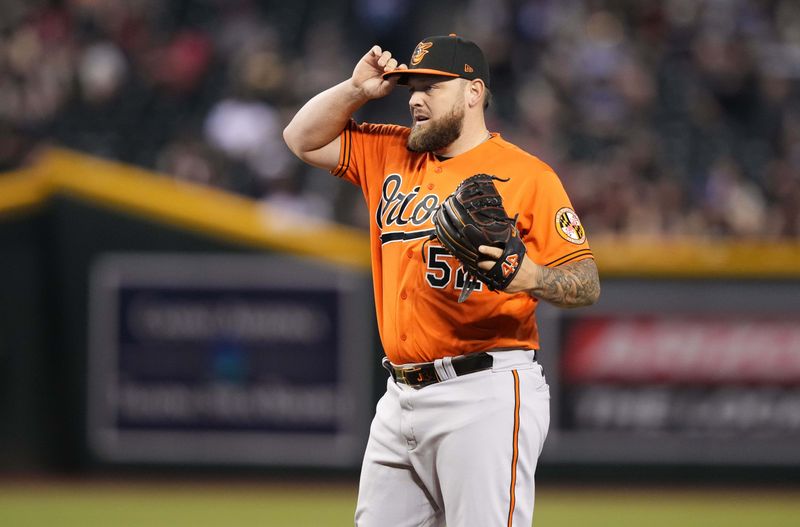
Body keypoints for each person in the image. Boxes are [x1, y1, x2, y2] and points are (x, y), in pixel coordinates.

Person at [283, 34, 600, 527]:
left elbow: (586, 280)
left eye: (432, 86)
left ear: (473, 93)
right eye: (412, 85)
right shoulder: (391, 151)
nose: (415, 97)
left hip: (486, 391)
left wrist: (530, 275)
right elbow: (301, 139)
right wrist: (355, 90)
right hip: (399, 395)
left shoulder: (527, 175)